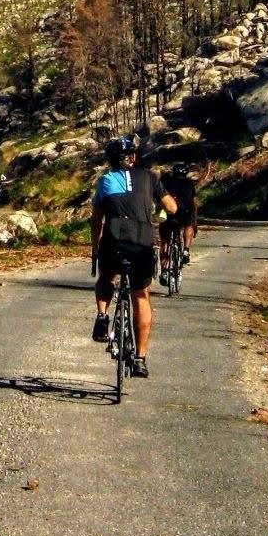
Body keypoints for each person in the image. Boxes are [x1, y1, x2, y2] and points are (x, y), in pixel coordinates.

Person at [90, 134, 176, 378]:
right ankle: (140, 359)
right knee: (141, 296)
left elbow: (96, 220)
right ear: (133, 157)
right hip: (143, 241)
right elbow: (172, 208)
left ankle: (102, 315)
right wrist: (158, 212)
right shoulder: (150, 177)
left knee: (107, 276)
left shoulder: (105, 180)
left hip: (115, 239)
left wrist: (96, 247)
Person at [159, 159, 200, 266]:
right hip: (185, 214)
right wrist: (194, 220)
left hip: (169, 213)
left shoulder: (167, 183)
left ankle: (163, 269)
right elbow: (193, 202)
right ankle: (186, 250)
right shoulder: (189, 184)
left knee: (165, 239)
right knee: (189, 225)